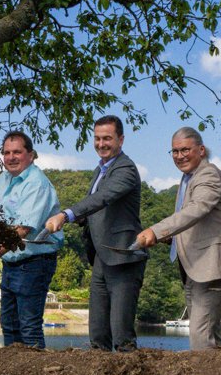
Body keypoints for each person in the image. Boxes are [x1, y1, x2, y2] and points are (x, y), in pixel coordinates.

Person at [44, 116, 146, 351]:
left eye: (107, 138)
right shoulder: (100, 169)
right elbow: (95, 209)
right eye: (97, 138)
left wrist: (67, 215)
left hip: (123, 257)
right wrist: (78, 218)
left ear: (120, 139)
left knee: (122, 337)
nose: (101, 144)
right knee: (98, 334)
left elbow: (102, 198)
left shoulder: (126, 169)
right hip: (101, 256)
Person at [135, 127, 221, 350]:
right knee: (207, 334)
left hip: (211, 266)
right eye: (174, 151)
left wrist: (157, 230)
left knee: (200, 336)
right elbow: (195, 223)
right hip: (194, 267)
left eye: (185, 150)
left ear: (201, 150)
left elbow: (197, 209)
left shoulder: (208, 174)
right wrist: (171, 238)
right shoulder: (188, 178)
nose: (179, 156)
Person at [0, 131, 62, 349]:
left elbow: (21, 231)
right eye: (6, 153)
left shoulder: (37, 184)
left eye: (17, 152)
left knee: (29, 325)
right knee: (9, 323)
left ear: (30, 155)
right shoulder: (5, 178)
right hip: (12, 261)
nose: (11, 157)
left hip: (34, 262)